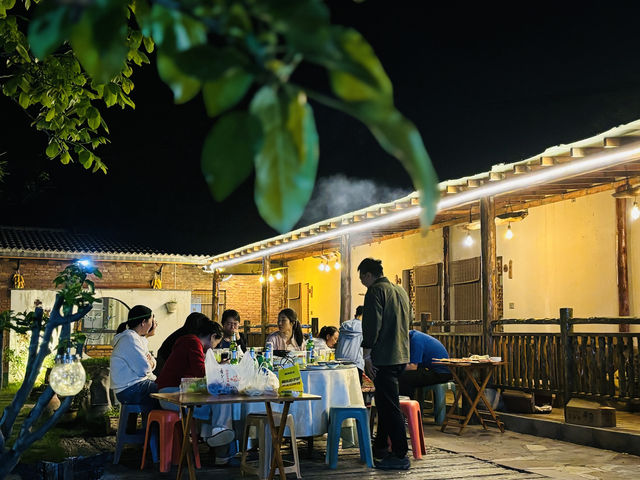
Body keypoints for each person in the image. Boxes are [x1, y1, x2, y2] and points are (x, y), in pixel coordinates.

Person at [359, 258, 411, 470]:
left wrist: (367, 356)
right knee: (384, 402)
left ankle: (400, 455)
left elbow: (372, 326)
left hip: (384, 358)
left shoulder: (375, 291)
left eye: (362, 277)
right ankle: (380, 447)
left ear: (368, 275)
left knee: (389, 407)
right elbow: (410, 321)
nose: (363, 282)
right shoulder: (401, 291)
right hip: (401, 355)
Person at [156, 319, 235, 456]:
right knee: (221, 394)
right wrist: (219, 368)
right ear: (212, 337)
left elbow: (194, 373)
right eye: (216, 343)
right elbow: (200, 372)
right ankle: (218, 433)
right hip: (170, 394)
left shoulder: (189, 341)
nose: (214, 347)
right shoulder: (192, 342)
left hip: (174, 391)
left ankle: (216, 436)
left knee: (217, 395)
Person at [110, 305, 159, 413]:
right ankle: (152, 429)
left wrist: (150, 363)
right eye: (151, 321)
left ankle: (149, 428)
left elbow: (151, 362)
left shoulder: (135, 338)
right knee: (164, 392)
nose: (152, 325)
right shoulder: (130, 339)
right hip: (130, 389)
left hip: (131, 387)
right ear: (143, 322)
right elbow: (144, 369)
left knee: (162, 387)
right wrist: (150, 363)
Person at [399, 330, 452, 397]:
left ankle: (407, 405)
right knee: (403, 375)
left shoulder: (416, 339)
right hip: (431, 370)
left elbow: (412, 367)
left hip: (441, 373)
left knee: (403, 377)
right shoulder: (414, 336)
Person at [335, 306, 365, 383]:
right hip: (356, 363)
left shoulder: (344, 325)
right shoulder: (364, 327)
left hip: (340, 362)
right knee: (355, 391)